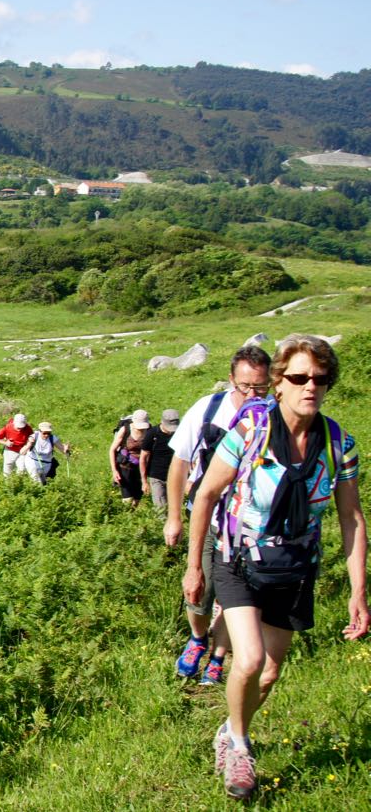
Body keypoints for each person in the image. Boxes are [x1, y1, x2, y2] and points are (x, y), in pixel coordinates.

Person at [183, 334, 366, 799]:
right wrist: (194, 566)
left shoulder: (338, 443)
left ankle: (230, 729)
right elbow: (205, 494)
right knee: (249, 659)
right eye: (299, 377)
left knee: (267, 675)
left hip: (294, 566)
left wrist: (357, 591)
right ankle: (240, 750)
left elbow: (351, 517)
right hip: (238, 557)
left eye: (320, 379)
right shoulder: (250, 430)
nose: (311, 387)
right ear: (279, 383)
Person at [167, 345, 274, 686]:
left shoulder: (276, 415)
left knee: (237, 597)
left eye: (260, 387)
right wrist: (174, 517)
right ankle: (198, 637)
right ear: (231, 380)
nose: (252, 394)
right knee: (199, 589)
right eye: (245, 386)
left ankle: (218, 656)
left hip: (253, 527)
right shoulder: (208, 409)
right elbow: (180, 463)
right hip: (211, 518)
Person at [140, 409, 179, 510]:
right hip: (157, 476)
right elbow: (143, 457)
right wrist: (144, 481)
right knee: (160, 509)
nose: (171, 430)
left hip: (174, 475)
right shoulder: (152, 434)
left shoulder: (179, 433)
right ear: (162, 422)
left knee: (174, 508)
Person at [110, 409, 150, 507]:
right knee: (127, 500)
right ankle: (125, 517)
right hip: (125, 466)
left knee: (136, 500)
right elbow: (112, 450)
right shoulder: (125, 430)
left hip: (140, 468)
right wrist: (114, 471)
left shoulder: (150, 431)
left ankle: (132, 518)